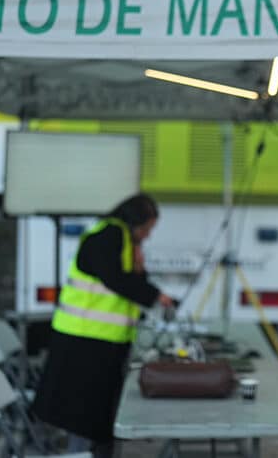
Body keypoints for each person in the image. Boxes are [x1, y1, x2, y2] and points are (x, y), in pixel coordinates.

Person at [33, 192, 175, 458]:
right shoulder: (109, 236)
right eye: (147, 229)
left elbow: (121, 282)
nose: (148, 236)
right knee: (83, 416)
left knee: (98, 416)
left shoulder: (120, 240)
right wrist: (155, 295)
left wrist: (141, 271)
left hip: (101, 341)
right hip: (84, 341)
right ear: (135, 223)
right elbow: (116, 280)